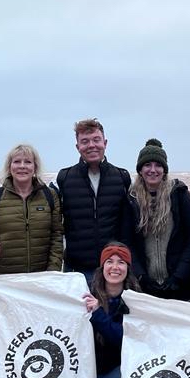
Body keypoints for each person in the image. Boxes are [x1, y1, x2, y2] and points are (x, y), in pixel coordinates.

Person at [56, 119, 133, 284]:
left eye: (96, 140)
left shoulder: (122, 177)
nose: (91, 145)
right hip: (77, 269)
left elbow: (128, 225)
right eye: (85, 141)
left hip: (113, 268)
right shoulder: (64, 178)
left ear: (105, 143)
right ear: (77, 147)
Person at [0, 144, 64, 275]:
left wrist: (52, 271)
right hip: (4, 278)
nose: (22, 166)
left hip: (41, 276)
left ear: (35, 167)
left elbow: (57, 235)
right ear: (9, 166)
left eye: (28, 162)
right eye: (17, 161)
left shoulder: (49, 195)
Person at [128, 138, 190, 300]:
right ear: (140, 169)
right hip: (145, 286)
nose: (153, 170)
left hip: (178, 282)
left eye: (158, 165)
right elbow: (128, 241)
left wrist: (179, 276)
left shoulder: (179, 193)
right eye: (147, 165)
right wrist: (140, 276)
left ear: (164, 169)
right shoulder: (131, 199)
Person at [82, 242, 141, 378]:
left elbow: (123, 338)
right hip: (81, 368)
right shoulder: (85, 293)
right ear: (102, 267)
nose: (115, 267)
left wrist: (97, 313)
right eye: (110, 261)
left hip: (112, 368)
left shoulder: (136, 300)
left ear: (128, 268)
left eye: (121, 262)